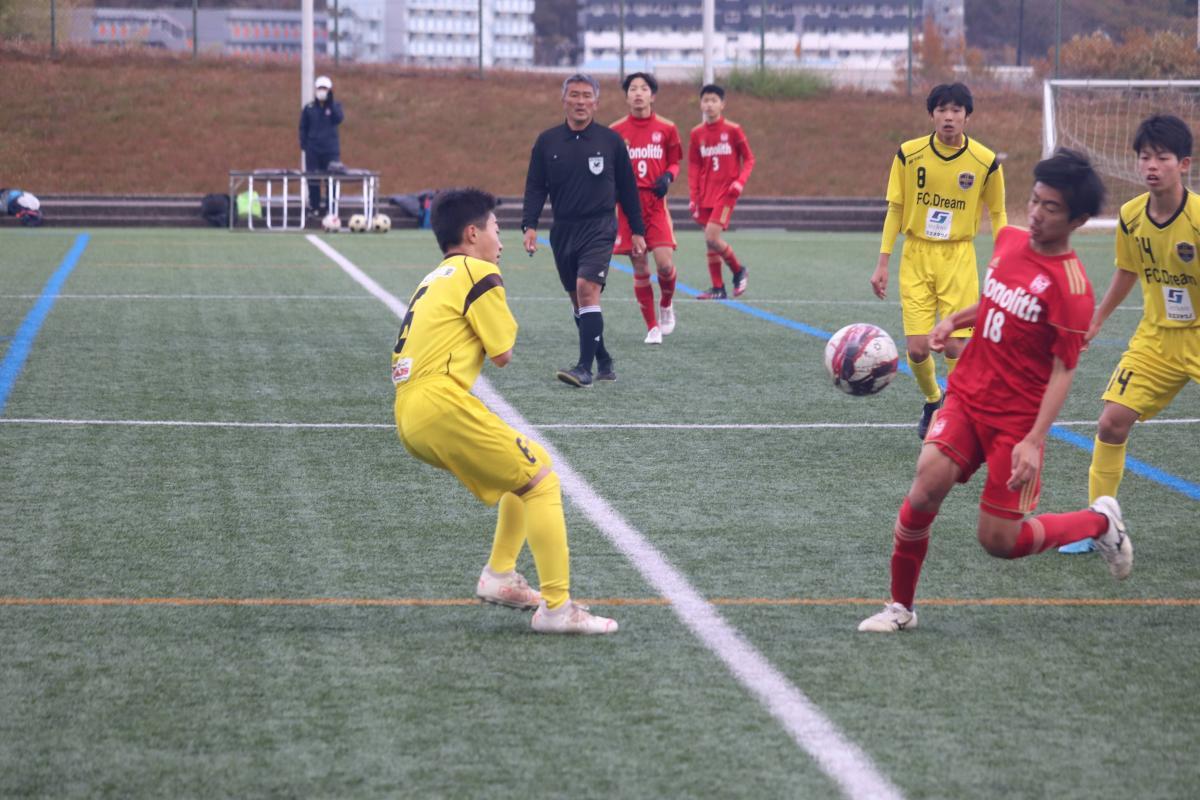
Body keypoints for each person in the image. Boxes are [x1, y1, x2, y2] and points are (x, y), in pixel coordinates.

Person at [858, 149, 1132, 634]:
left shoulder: (1072, 289)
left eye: (1050, 207)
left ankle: (1099, 522)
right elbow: (994, 300)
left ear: (1078, 220)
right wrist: (955, 320)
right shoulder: (1008, 241)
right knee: (924, 488)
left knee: (1000, 541)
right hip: (967, 395)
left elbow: (1063, 371)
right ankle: (901, 607)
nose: (1036, 213)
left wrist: (1032, 441)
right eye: (1035, 200)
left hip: (1016, 422)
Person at [392, 187, 618, 635]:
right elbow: (502, 354)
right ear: (472, 234)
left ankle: (500, 574)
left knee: (531, 466)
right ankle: (557, 609)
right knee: (542, 483)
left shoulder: (436, 275)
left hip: (409, 408)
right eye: (496, 228)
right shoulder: (479, 271)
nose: (501, 240)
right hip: (439, 402)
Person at [1061, 114, 1200, 554]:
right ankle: (1096, 526)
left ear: (1184, 164)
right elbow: (1127, 270)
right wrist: (1098, 318)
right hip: (1156, 339)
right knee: (1111, 422)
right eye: (1144, 157)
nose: (1151, 166)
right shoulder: (1131, 216)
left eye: (1162, 157)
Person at [869, 82, 1008, 440]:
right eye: (942, 110)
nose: (949, 117)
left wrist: (1004, 259)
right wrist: (883, 262)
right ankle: (934, 399)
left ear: (967, 116)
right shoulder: (908, 154)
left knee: (954, 345)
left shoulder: (985, 161)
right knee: (917, 349)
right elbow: (896, 208)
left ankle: (955, 412)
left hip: (958, 257)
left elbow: (998, 213)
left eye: (956, 110)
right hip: (916, 255)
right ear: (931, 114)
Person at [522, 74, 646, 387]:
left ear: (596, 102)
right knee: (579, 302)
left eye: (587, 96)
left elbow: (628, 189)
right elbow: (535, 186)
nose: (580, 101)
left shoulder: (611, 141)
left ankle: (583, 368)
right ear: (564, 100)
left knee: (586, 289)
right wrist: (529, 225)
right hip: (563, 229)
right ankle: (603, 359)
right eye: (575, 95)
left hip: (600, 226)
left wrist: (638, 230)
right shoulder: (547, 141)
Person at [610, 72, 683, 344]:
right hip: (628, 208)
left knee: (664, 264)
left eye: (643, 88)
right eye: (632, 88)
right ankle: (652, 327)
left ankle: (666, 304)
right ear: (626, 96)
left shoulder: (667, 128)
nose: (638, 93)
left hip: (655, 205)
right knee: (640, 266)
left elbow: (674, 161)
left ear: (652, 96)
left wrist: (668, 177)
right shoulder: (615, 131)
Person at [688, 84, 755, 300]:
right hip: (705, 194)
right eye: (705, 100)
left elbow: (749, 159)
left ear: (722, 104)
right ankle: (718, 288)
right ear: (701, 104)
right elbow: (694, 166)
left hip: (726, 194)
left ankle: (738, 270)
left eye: (714, 100)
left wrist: (740, 183)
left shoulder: (733, 130)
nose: (709, 104)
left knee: (712, 236)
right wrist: (693, 196)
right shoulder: (696, 133)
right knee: (709, 241)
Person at [299, 75, 344, 216]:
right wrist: (305, 145)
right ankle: (314, 206)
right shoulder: (309, 108)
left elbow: (339, 118)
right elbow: (303, 128)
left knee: (331, 179)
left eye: (324, 89)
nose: (322, 91)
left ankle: (331, 207)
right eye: (319, 88)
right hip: (313, 150)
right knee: (313, 179)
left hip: (331, 150)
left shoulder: (335, 106)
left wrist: (330, 103)